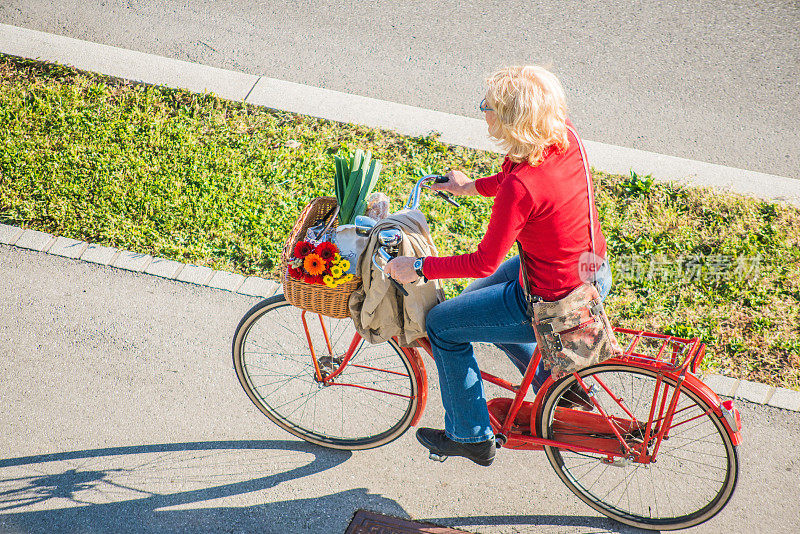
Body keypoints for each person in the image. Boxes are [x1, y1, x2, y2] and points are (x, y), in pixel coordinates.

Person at [384, 65, 611, 467]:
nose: (483, 110)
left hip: (552, 299)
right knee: (475, 303)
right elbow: (514, 176)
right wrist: (469, 186)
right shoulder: (562, 135)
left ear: (510, 120)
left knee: (442, 326)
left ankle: (469, 436)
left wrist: (417, 266)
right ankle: (558, 387)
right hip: (588, 270)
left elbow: (483, 260)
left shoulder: (521, 187)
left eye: (487, 106)